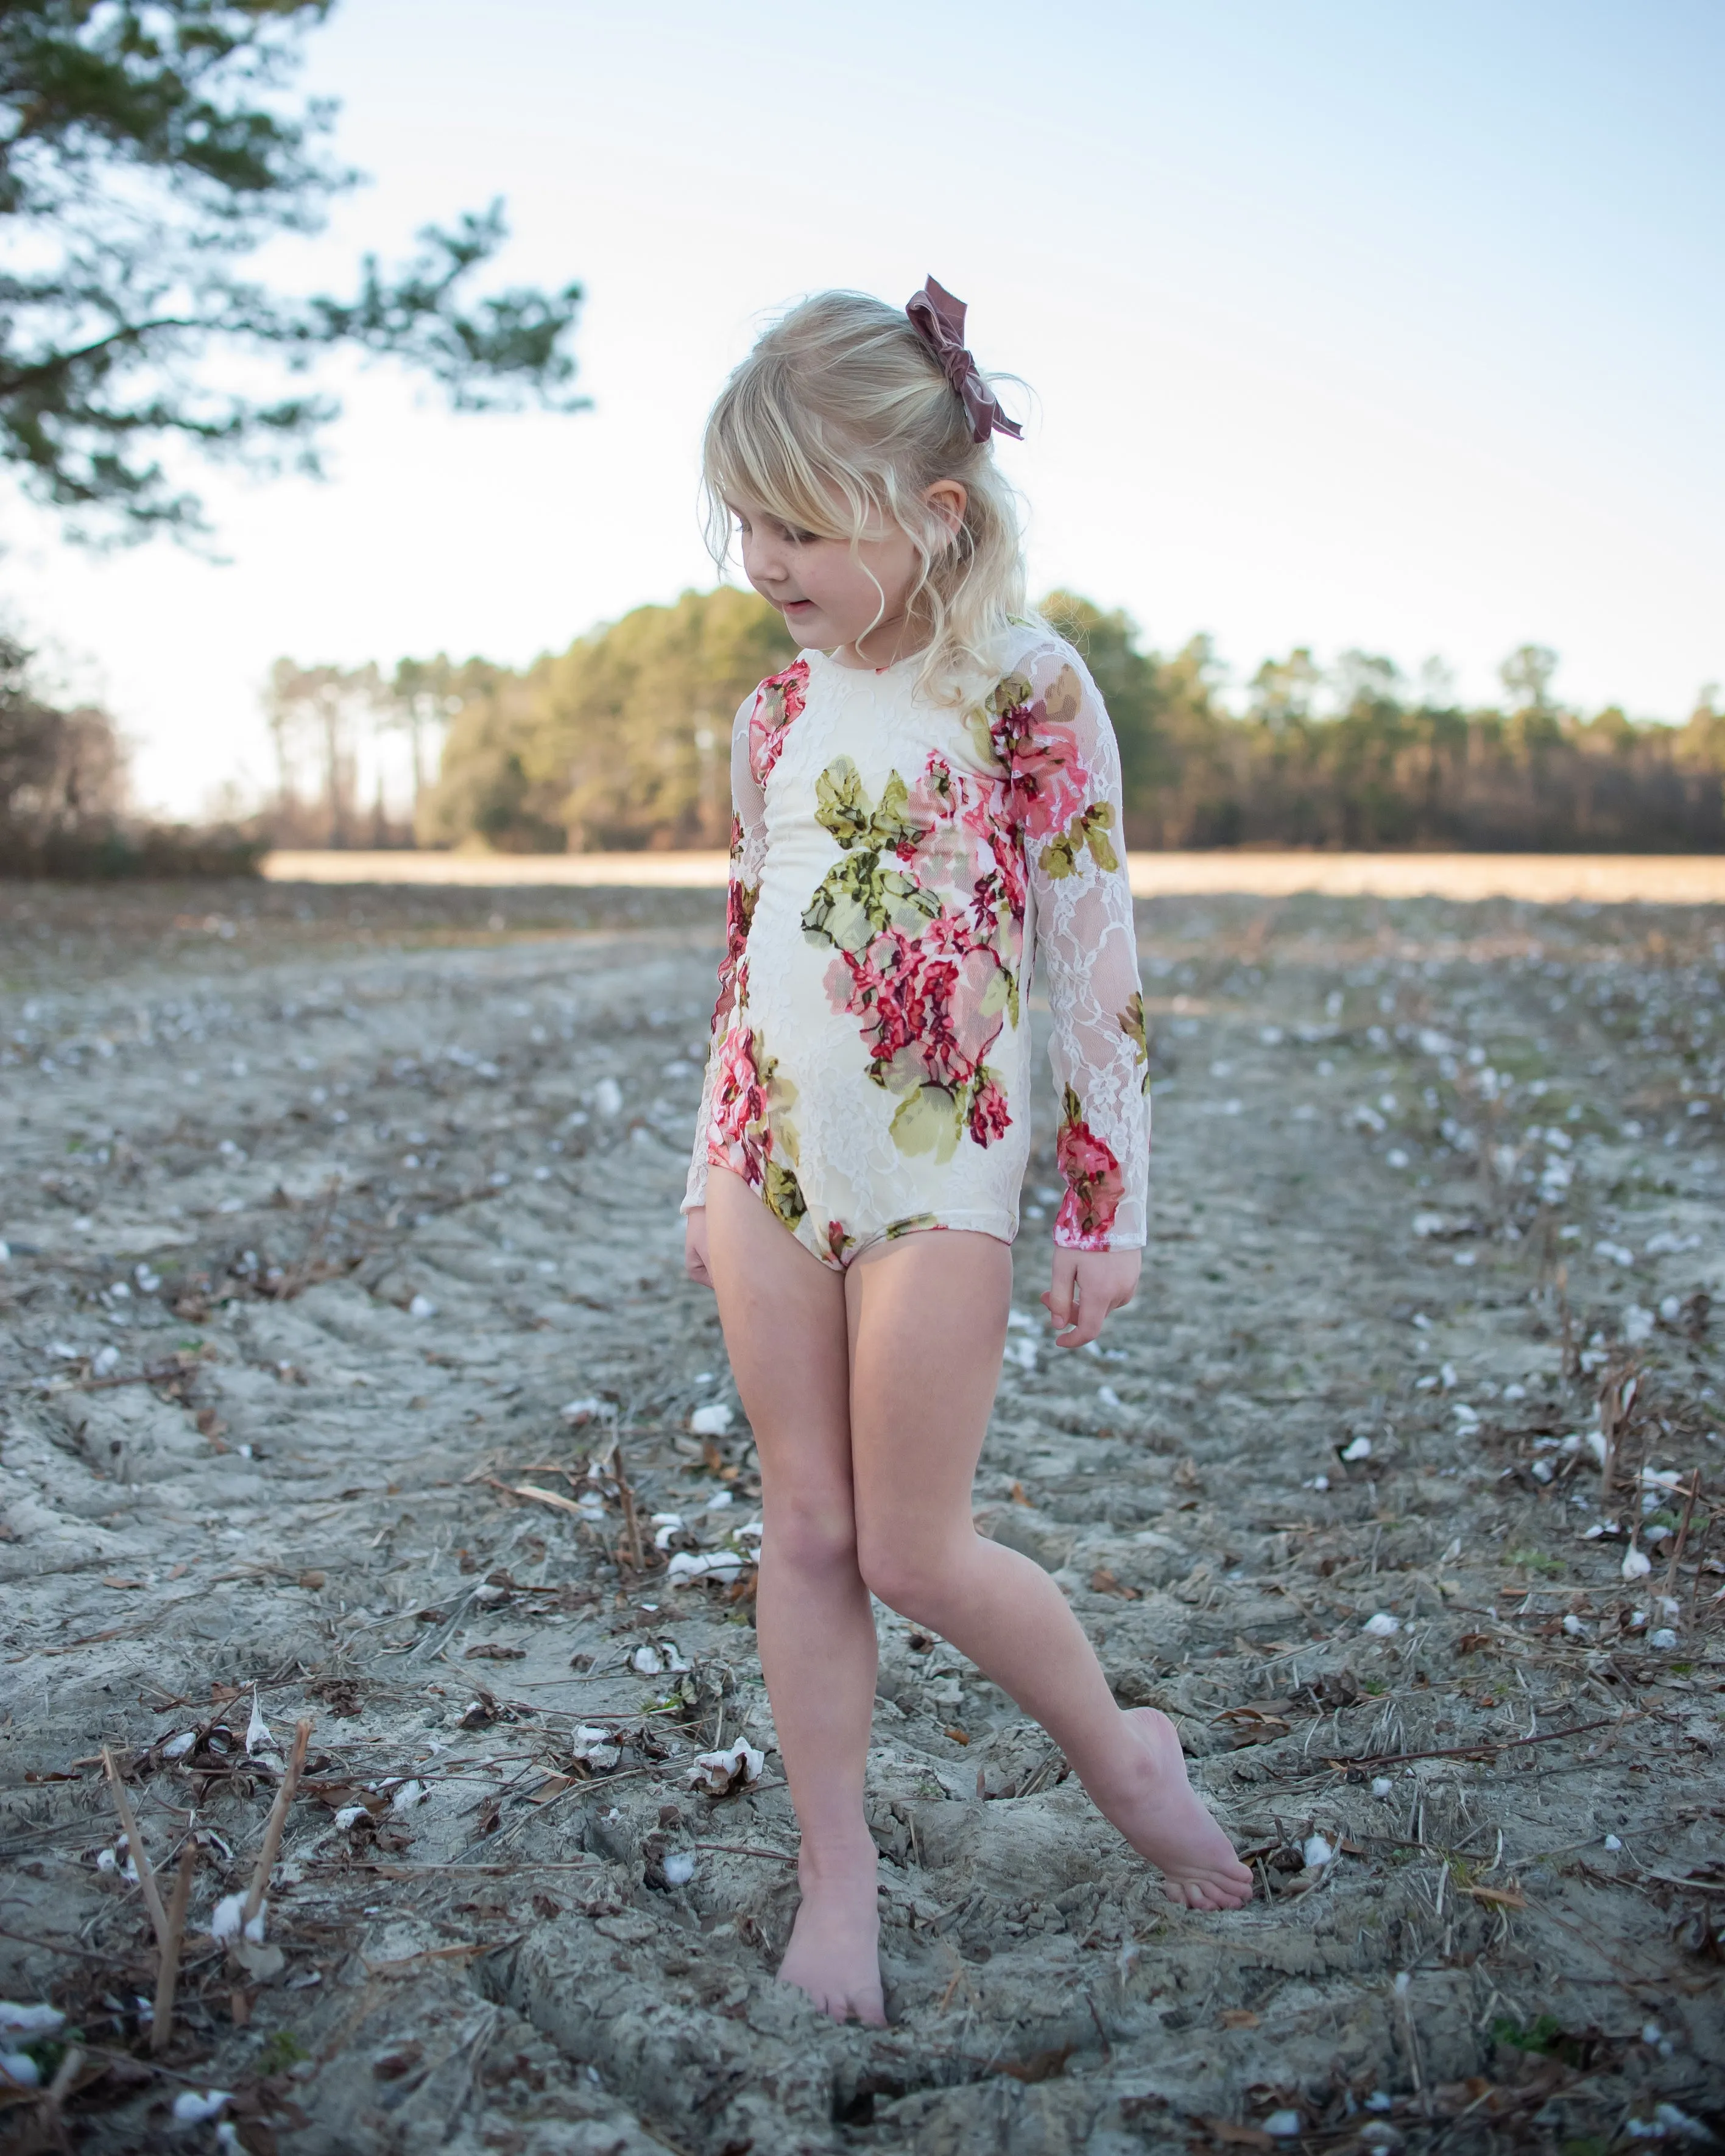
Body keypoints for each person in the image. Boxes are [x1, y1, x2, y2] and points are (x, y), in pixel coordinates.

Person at [681, 280, 1252, 2026]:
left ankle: (1123, 1751)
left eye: (801, 520)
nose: (765, 558)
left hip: (949, 1165)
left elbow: (1092, 958)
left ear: (932, 513)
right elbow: (747, 946)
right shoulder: (775, 716)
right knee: (801, 1522)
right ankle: (835, 1871)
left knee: (916, 1548)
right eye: (747, 520)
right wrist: (701, 1172)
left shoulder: (1027, 685)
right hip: (771, 1155)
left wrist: (1109, 1201)